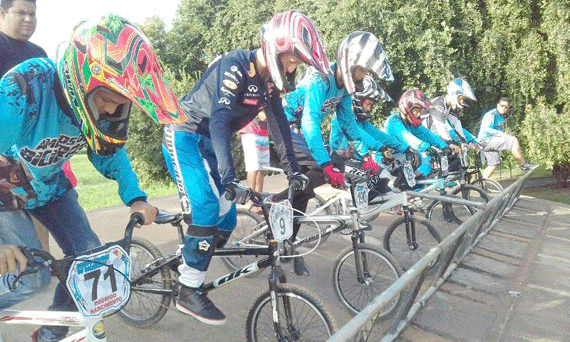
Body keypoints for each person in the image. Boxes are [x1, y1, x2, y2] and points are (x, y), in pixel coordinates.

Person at [0, 14, 185, 342]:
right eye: (108, 100)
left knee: (89, 264)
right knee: (32, 277)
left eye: (121, 104)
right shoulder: (23, 87)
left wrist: (137, 197)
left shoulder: (98, 105)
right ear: (81, 81)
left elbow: (110, 153)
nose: (113, 111)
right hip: (6, 192)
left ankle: (51, 332)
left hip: (51, 188)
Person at [161, 9, 328, 325]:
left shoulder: (268, 84)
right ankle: (188, 288)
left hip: (209, 140)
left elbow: (278, 124)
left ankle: (189, 260)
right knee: (208, 207)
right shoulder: (236, 65)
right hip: (184, 134)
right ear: (274, 48)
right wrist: (228, 177)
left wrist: (294, 171)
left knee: (225, 222)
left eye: (297, 63)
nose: (293, 67)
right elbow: (221, 119)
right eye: (291, 59)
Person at [279, 31, 394, 272]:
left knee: (305, 191)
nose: (363, 77)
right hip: (287, 125)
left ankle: (285, 242)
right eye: (361, 70)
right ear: (348, 62)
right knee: (330, 165)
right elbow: (310, 122)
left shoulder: (344, 88)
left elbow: (350, 125)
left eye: (366, 72)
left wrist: (374, 151)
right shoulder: (322, 79)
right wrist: (326, 163)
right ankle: (277, 206)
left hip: (301, 128)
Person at [385, 89, 452, 178]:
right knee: (423, 158)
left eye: (420, 111)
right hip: (386, 159)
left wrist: (443, 146)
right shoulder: (394, 121)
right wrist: (427, 147)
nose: (418, 114)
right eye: (416, 111)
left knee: (423, 169)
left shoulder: (411, 123)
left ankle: (416, 188)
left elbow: (427, 134)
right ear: (407, 108)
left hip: (402, 156)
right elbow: (408, 138)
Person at [478, 96, 535, 177]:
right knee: (512, 140)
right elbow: (487, 129)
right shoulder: (491, 115)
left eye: (506, 107)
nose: (504, 108)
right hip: (485, 141)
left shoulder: (501, 117)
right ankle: (524, 165)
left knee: (494, 163)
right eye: (502, 106)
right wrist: (503, 135)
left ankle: (481, 184)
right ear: (498, 105)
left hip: (489, 142)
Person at [238, 111, 269, 214]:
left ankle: (258, 201)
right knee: (253, 167)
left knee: (262, 169)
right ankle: (252, 201)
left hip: (263, 131)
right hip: (250, 131)